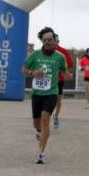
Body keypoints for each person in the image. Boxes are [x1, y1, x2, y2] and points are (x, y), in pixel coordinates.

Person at [22, 27, 67, 164]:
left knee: (46, 119)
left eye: (50, 40)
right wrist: (33, 73)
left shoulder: (60, 57)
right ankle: (39, 131)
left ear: (55, 41)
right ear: (41, 41)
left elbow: (64, 71)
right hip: (37, 93)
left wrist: (68, 75)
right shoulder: (35, 55)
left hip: (51, 93)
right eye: (45, 40)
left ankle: (41, 153)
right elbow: (23, 70)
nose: (47, 42)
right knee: (37, 123)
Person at [52, 33, 74, 129]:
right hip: (47, 79)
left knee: (58, 100)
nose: (53, 42)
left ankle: (56, 116)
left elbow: (70, 64)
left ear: (58, 41)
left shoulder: (63, 51)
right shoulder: (44, 51)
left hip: (59, 79)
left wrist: (64, 71)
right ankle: (45, 117)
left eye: (55, 40)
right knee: (47, 99)